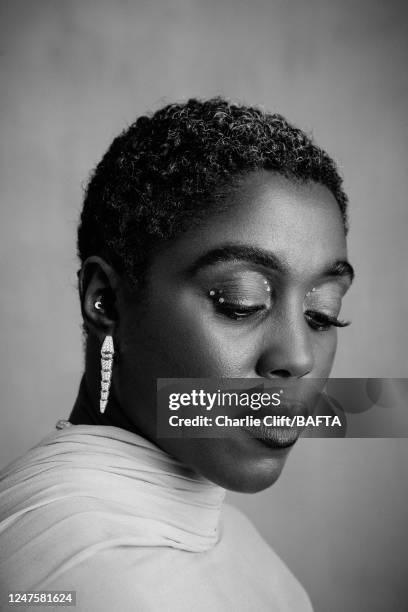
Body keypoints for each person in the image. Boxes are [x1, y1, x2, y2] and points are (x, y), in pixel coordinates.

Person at [0, 97, 353, 611]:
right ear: (105, 301)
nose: (299, 357)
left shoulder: (224, 529)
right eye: (241, 302)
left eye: (322, 312)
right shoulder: (94, 575)